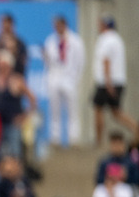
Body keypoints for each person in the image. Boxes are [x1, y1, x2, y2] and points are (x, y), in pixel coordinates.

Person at [92, 16, 137, 144]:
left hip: (107, 82)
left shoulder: (106, 39)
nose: (98, 26)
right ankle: (135, 127)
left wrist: (108, 82)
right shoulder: (117, 39)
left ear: (106, 25)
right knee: (116, 112)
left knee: (98, 108)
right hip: (117, 80)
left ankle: (98, 141)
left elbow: (106, 61)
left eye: (100, 24)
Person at [43, 15, 85, 147]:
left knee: (72, 110)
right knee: (54, 110)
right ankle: (55, 138)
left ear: (64, 24)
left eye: (58, 25)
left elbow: (81, 61)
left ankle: (74, 138)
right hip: (55, 77)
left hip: (69, 78)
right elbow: (49, 63)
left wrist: (75, 78)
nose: (56, 28)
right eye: (55, 26)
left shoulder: (76, 41)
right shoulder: (50, 41)